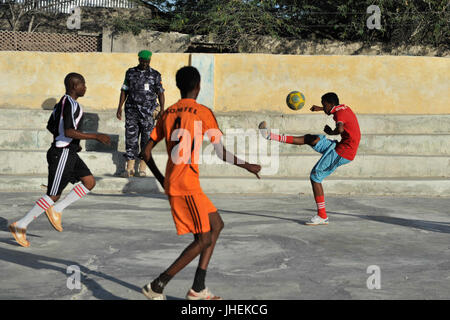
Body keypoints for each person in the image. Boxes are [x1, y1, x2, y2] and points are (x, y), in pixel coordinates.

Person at [140, 66, 261, 300]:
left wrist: (162, 179)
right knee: (203, 239)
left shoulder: (167, 113)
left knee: (216, 226)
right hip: (185, 185)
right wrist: (248, 165)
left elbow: (145, 152)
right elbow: (220, 152)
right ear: (198, 86)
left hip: (180, 182)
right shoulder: (203, 112)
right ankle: (158, 285)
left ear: (179, 87)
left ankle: (197, 287)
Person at [8, 73, 111, 247]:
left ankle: (56, 210)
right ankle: (21, 225)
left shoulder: (62, 104)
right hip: (61, 153)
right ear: (74, 85)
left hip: (68, 151)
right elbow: (69, 131)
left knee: (89, 181)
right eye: (83, 84)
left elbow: (51, 126)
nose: (85, 87)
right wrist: (95, 136)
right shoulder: (68, 103)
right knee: (53, 195)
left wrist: (73, 143)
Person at [259, 92, 361, 226]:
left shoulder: (339, 115)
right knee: (310, 139)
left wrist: (331, 132)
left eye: (324, 105)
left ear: (330, 104)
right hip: (342, 146)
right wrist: (320, 108)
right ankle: (269, 136)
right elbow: (335, 113)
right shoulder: (343, 108)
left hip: (343, 152)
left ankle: (322, 215)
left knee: (315, 177)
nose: (323, 107)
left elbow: (340, 128)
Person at [116, 50, 165, 177]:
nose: (145, 63)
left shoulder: (155, 75)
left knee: (146, 140)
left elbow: (160, 93)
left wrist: (162, 109)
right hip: (132, 111)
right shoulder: (130, 72)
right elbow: (124, 90)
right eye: (143, 61)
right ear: (139, 59)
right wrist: (119, 107)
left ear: (150, 60)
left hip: (148, 114)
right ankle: (130, 168)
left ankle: (142, 169)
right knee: (131, 139)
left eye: (147, 61)